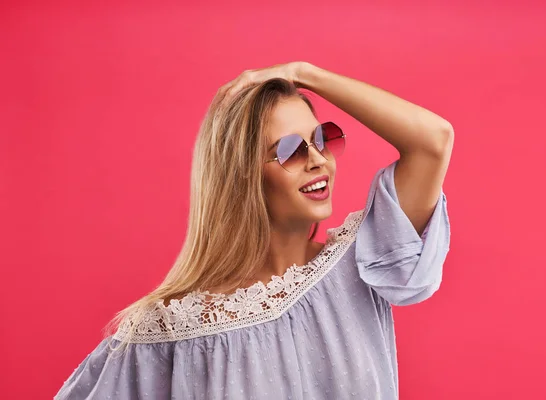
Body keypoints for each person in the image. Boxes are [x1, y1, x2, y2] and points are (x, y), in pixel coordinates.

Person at [54, 61, 453, 399]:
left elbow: (433, 140)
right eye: (290, 150)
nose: (318, 161)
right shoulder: (175, 326)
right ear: (242, 176)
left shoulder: (360, 262)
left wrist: (304, 72)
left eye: (320, 139)